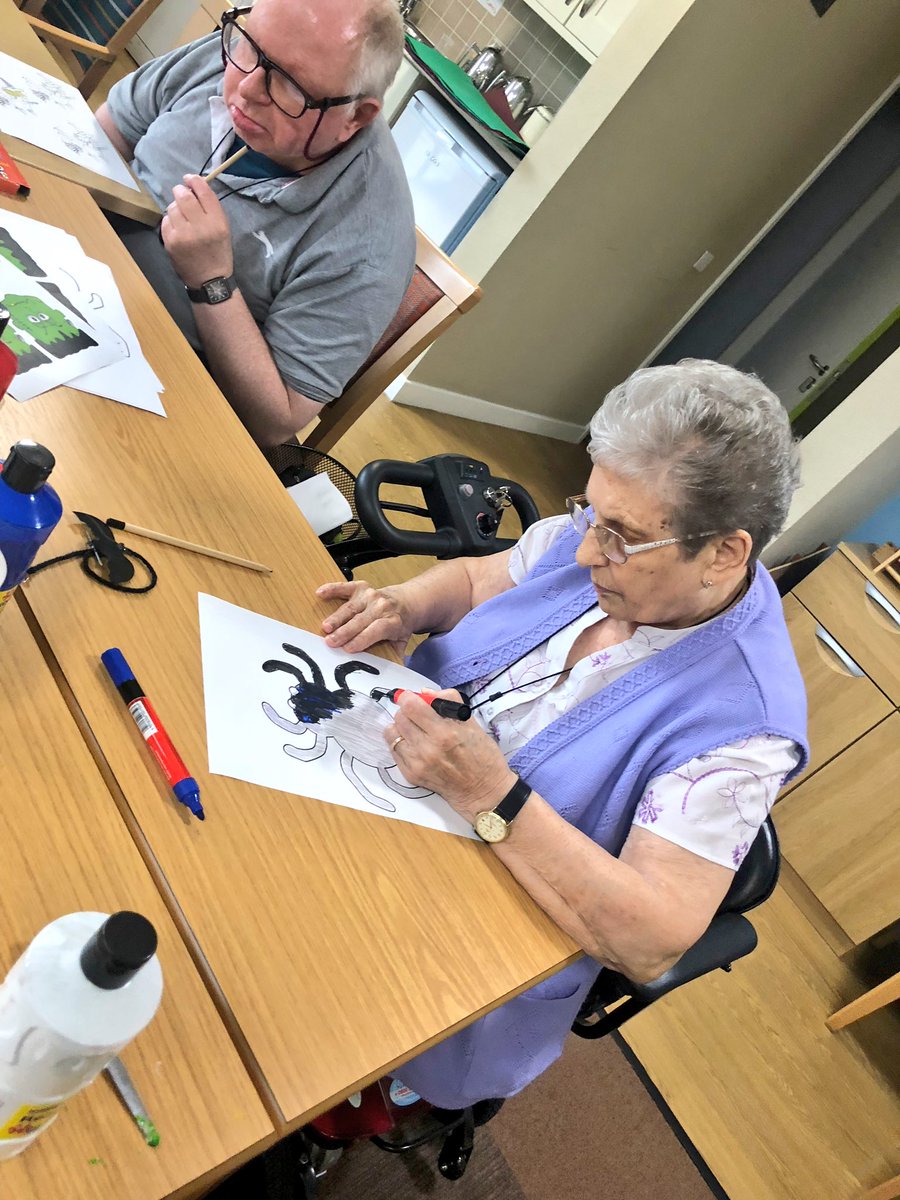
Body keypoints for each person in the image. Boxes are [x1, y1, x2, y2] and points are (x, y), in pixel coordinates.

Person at [315, 359, 809, 1109]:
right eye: (592, 514)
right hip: (373, 796)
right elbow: (477, 581)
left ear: (723, 554)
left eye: (621, 537)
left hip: (457, 932)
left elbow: (652, 939)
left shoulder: (744, 730)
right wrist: (404, 603)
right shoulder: (597, 541)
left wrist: (490, 794)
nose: (585, 552)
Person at [96, 0, 415, 448]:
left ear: (356, 117)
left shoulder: (368, 245)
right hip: (81, 273)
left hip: (160, 392)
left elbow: (275, 421)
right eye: (249, 44)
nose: (247, 88)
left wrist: (212, 281)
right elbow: (106, 132)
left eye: (290, 84)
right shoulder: (240, 55)